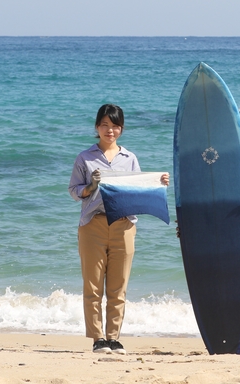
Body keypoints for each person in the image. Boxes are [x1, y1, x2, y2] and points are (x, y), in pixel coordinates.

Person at [68, 104, 169, 354]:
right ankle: (98, 338)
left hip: (124, 225)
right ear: (96, 127)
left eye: (114, 125)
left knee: (118, 285)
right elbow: (74, 190)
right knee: (92, 285)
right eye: (104, 124)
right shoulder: (85, 158)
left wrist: (159, 182)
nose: (109, 130)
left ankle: (114, 337)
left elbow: (137, 189)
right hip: (93, 224)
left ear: (121, 129)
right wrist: (91, 187)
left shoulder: (130, 158)